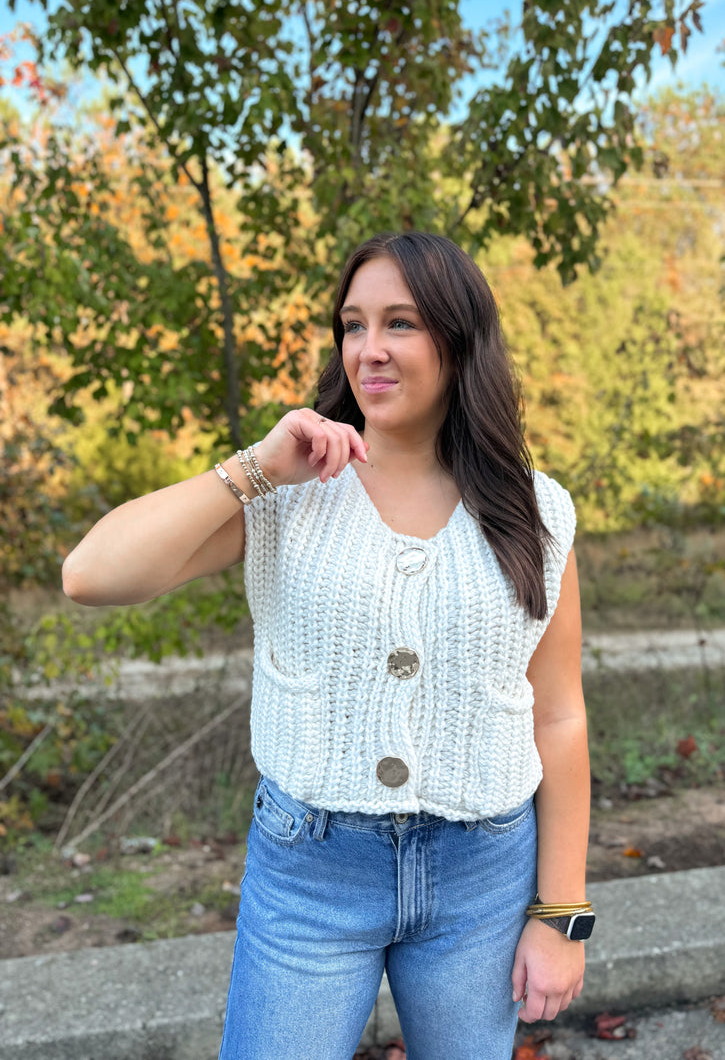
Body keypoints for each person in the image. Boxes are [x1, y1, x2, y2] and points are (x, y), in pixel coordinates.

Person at [63, 231, 592, 1060]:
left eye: (400, 324)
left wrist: (562, 913)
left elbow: (558, 716)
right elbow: (90, 574)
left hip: (483, 877)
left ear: (460, 340)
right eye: (353, 325)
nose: (369, 350)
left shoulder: (538, 511)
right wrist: (254, 467)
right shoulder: (291, 490)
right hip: (310, 873)